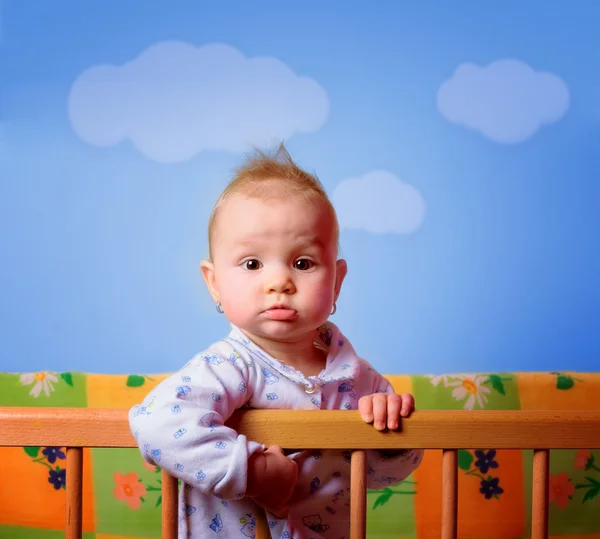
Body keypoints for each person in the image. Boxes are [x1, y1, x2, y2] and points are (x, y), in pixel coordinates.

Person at [129, 144, 424, 538]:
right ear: (214, 283)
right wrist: (251, 471)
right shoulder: (225, 367)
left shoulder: (359, 379)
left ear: (336, 281)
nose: (279, 282)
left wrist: (389, 437)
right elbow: (157, 422)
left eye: (303, 263)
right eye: (252, 264)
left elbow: (378, 477)